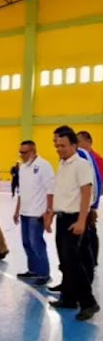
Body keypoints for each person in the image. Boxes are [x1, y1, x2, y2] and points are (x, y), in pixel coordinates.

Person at [49, 129, 100, 321]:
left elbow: (86, 192)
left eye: (62, 145)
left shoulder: (82, 164)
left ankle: (89, 303)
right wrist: (51, 213)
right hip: (62, 218)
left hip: (75, 219)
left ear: (74, 145)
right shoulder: (62, 164)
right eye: (56, 145)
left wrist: (81, 220)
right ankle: (69, 299)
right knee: (65, 261)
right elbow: (62, 192)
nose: (58, 149)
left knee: (74, 263)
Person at [13, 141, 55, 286]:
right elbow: (21, 191)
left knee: (36, 242)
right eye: (20, 152)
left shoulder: (44, 165)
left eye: (24, 152)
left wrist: (49, 211)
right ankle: (33, 270)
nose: (21, 155)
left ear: (32, 152)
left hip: (37, 212)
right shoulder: (23, 167)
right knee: (26, 243)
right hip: (25, 212)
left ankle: (44, 273)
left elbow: (51, 190)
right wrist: (17, 210)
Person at [77, 130, 103, 266]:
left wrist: (93, 205)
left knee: (91, 231)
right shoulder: (82, 158)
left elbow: (98, 183)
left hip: (90, 202)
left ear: (88, 142)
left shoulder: (96, 159)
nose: (77, 145)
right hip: (83, 202)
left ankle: (92, 260)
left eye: (79, 141)